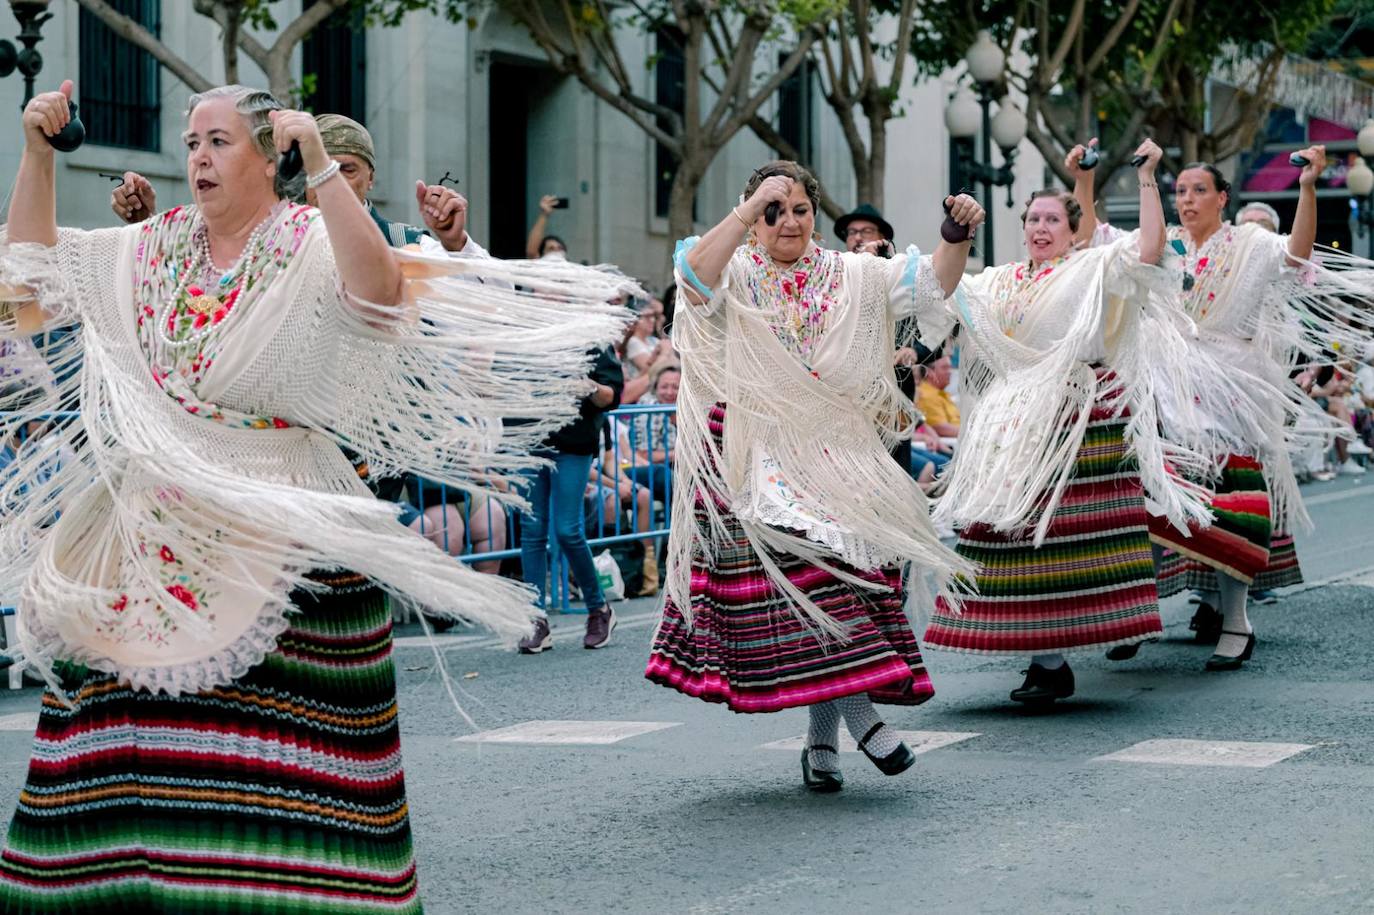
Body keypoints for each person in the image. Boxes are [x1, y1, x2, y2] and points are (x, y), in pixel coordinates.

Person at [0, 81, 627, 910]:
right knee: (112, 725)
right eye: (191, 142)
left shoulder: (308, 240)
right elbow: (32, 286)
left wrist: (326, 168)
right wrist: (38, 154)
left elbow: (378, 293)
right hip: (157, 523)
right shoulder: (151, 246)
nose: (197, 158)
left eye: (218, 142)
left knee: (293, 755)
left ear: (271, 157)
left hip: (289, 515)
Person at [645, 159, 983, 792]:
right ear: (752, 219)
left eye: (800, 209)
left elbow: (932, 286)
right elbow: (691, 279)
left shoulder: (850, 273)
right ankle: (861, 718)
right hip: (757, 456)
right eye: (775, 210)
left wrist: (954, 235)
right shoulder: (734, 269)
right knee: (813, 584)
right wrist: (749, 209)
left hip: (837, 457)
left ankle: (821, 741)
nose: (789, 221)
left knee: (841, 587)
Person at [922, 139, 1214, 703]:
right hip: (1012, 427)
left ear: (1071, 229)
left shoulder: (1094, 267)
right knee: (1017, 539)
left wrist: (1149, 177)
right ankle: (1047, 662)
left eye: (1052, 218)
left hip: (1077, 418)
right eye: (1032, 217)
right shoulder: (998, 279)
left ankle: (1055, 658)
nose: (1040, 226)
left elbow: (1150, 249)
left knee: (1060, 540)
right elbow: (944, 291)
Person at [1082, 148, 1374, 670]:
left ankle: (1236, 621)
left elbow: (1297, 256)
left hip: (1228, 393)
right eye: (1181, 191)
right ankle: (1141, 615)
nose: (1188, 200)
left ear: (1223, 198)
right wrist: (1086, 181)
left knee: (1228, 510)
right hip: (1163, 388)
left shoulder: (1251, 243)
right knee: (1148, 503)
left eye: (1199, 191)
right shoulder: (1163, 241)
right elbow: (1095, 239)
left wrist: (1307, 186)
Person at [516, 344, 625, 654]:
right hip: (531, 439)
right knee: (532, 530)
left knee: (567, 529)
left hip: (573, 444)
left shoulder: (592, 340)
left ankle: (598, 609)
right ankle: (535, 620)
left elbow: (612, 397)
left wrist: (587, 386)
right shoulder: (530, 335)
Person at [526, 193, 569, 260]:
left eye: (560, 248)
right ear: (540, 254)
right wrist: (545, 214)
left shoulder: (572, 268)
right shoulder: (540, 266)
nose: (556, 251)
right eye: (551, 249)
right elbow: (531, 253)